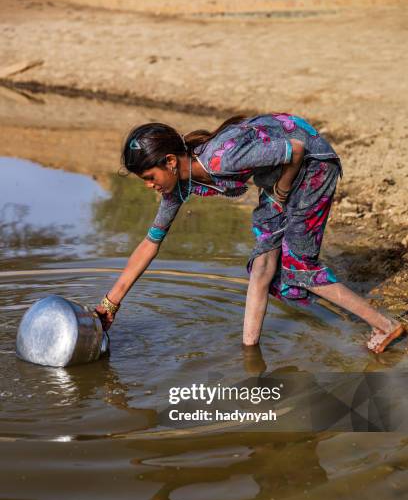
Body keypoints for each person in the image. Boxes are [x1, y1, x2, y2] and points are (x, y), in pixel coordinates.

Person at [95, 113, 405, 353]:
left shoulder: (221, 159)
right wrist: (110, 304)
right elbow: (150, 243)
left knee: (298, 267)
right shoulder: (180, 185)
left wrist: (281, 191)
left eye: (150, 177)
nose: (149, 185)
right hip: (279, 176)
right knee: (262, 266)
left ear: (171, 162)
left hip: (312, 165)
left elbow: (295, 149)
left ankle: (387, 325)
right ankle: (249, 351)